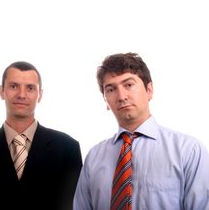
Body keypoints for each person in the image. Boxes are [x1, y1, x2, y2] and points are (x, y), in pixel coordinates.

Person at [73, 52, 209, 210]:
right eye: (111, 89)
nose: (121, 96)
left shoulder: (188, 151)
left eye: (129, 85)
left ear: (149, 90)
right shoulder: (93, 158)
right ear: (105, 100)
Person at [0, 61, 82, 210]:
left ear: (40, 95)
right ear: (2, 91)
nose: (21, 95)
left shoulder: (68, 148)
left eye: (30, 88)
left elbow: (77, 205)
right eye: (14, 86)